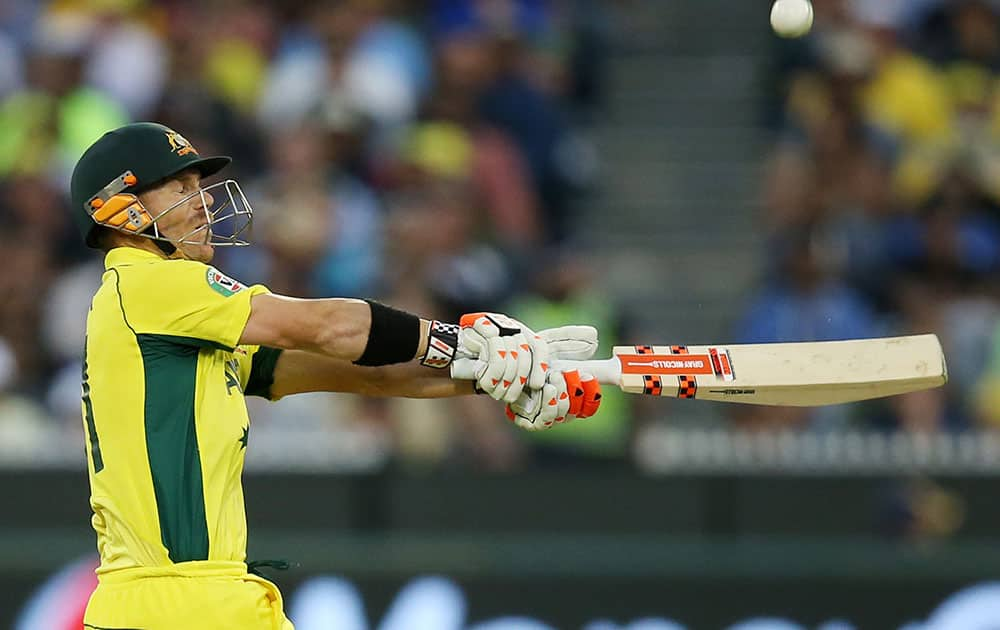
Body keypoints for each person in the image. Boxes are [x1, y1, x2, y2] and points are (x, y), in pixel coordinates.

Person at [69, 122, 603, 629]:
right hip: (183, 605)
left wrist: (488, 375)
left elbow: (360, 373)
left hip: (176, 603)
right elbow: (330, 328)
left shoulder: (172, 321)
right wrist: (463, 340)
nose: (204, 198)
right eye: (180, 186)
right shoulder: (151, 286)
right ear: (122, 210)